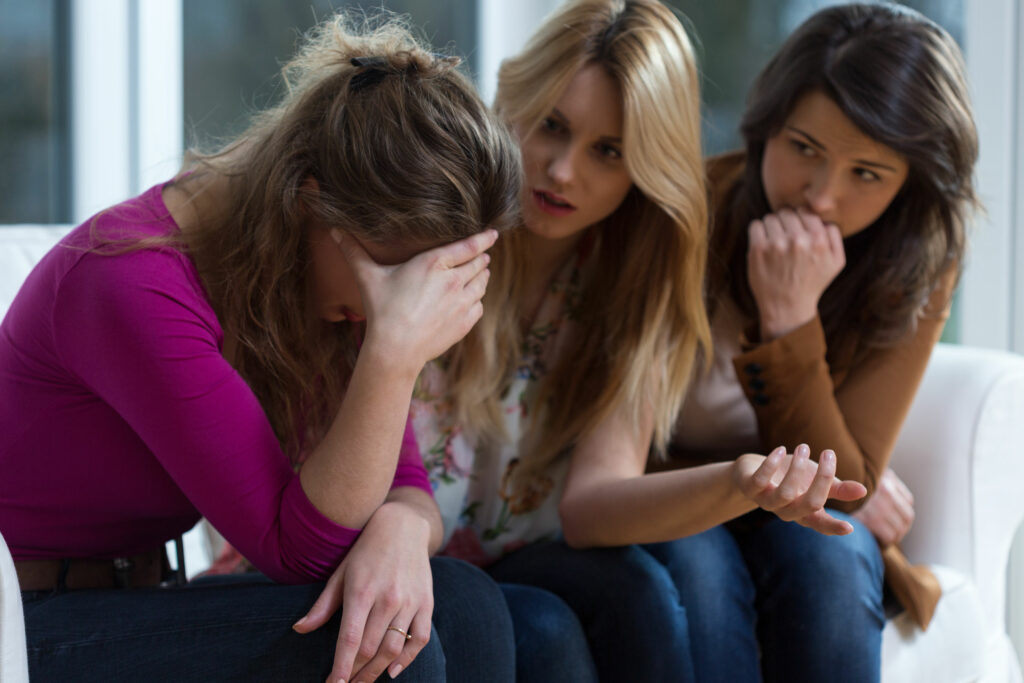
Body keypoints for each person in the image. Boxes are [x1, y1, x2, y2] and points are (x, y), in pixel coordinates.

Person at [0, 12, 525, 683]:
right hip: (23, 623)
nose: (386, 309)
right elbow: (293, 549)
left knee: (468, 603)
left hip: (129, 596)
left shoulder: (308, 279)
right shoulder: (127, 279)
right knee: (379, 651)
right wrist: (394, 354)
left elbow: (408, 486)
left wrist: (401, 529)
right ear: (310, 201)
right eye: (393, 282)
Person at [407, 1, 868, 680]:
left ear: (642, 169)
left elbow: (592, 506)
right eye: (553, 126)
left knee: (636, 588)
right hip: (394, 553)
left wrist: (743, 480)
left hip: (519, 558)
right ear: (517, 96)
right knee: (544, 627)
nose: (563, 170)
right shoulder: (433, 229)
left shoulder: (632, 286)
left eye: (608, 151)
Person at [664, 3, 978, 681]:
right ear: (765, 127)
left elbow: (842, 489)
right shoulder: (690, 212)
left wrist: (789, 319)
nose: (821, 196)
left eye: (867, 173)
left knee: (830, 555)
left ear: (908, 184)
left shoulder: (921, 259)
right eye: (803, 149)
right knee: (698, 564)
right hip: (681, 498)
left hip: (807, 521)